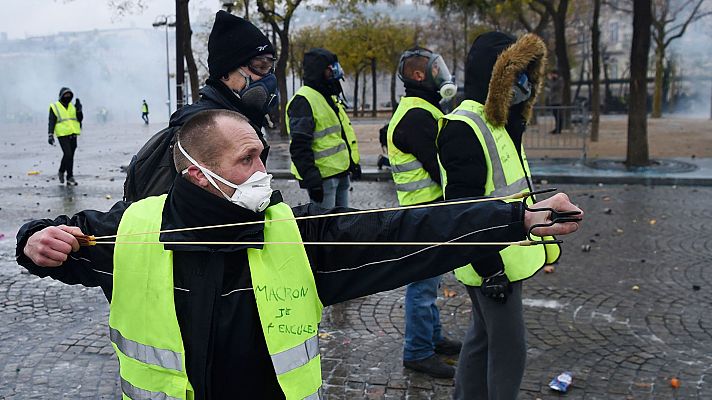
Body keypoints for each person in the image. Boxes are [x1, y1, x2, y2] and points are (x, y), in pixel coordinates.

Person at [17, 109, 582, 400]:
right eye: (247, 160)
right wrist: (34, 240)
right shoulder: (130, 231)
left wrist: (515, 218)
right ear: (199, 173)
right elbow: (56, 241)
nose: (263, 172)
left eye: (263, 155)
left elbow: (403, 231)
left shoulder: (293, 235)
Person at [437, 32, 562, 400]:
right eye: (517, 73)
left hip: (503, 255)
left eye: (528, 74)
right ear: (498, 76)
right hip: (493, 261)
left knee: (481, 338)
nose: (524, 82)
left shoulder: (498, 120)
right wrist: (490, 267)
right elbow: (463, 208)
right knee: (509, 348)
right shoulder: (465, 126)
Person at [122, 10, 279, 202]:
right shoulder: (196, 131)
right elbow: (167, 216)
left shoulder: (243, 123)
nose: (268, 78)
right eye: (260, 67)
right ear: (226, 73)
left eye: (270, 68)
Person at [387, 47, 461, 378]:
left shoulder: (419, 110)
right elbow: (440, 167)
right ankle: (417, 351)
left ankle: (432, 337)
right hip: (424, 213)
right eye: (435, 68)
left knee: (430, 281)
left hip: (425, 211)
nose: (440, 74)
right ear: (419, 76)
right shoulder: (418, 115)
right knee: (422, 284)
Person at [287, 48, 361, 208]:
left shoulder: (327, 97)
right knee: (324, 228)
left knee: (342, 225)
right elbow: (299, 145)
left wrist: (352, 164)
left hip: (340, 173)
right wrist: (311, 179)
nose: (335, 72)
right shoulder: (304, 100)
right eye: (330, 69)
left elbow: (342, 134)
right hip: (323, 179)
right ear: (320, 71)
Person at [48, 87, 83, 186]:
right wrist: (50, 134)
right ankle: (69, 176)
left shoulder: (73, 106)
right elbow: (51, 121)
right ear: (61, 96)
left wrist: (79, 110)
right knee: (68, 154)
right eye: (65, 95)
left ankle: (64, 173)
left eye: (69, 95)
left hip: (73, 133)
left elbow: (79, 119)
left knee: (70, 155)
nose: (67, 97)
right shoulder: (55, 107)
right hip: (62, 134)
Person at [547, 69, 563, 134]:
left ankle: (558, 129)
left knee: (558, 116)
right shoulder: (555, 81)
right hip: (553, 101)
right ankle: (557, 129)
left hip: (557, 101)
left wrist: (550, 79)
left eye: (553, 74)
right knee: (556, 116)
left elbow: (552, 86)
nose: (552, 76)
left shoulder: (559, 80)